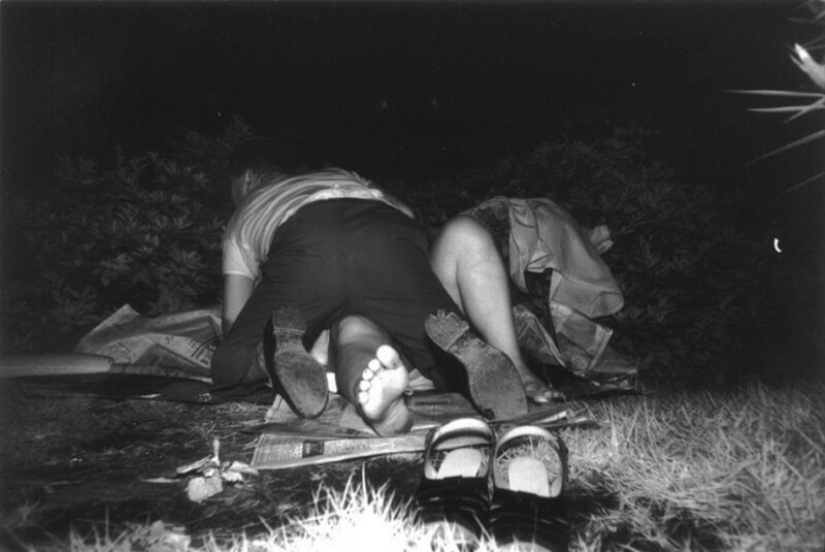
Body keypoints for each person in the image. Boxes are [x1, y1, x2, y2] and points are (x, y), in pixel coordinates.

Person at [210, 164, 559, 436]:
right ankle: (507, 374)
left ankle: (266, 353)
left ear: (248, 180)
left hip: (305, 245)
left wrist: (263, 313)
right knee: (423, 353)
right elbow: (406, 216)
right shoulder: (344, 176)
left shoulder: (249, 209)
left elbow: (233, 317)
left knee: (229, 362)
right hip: (387, 238)